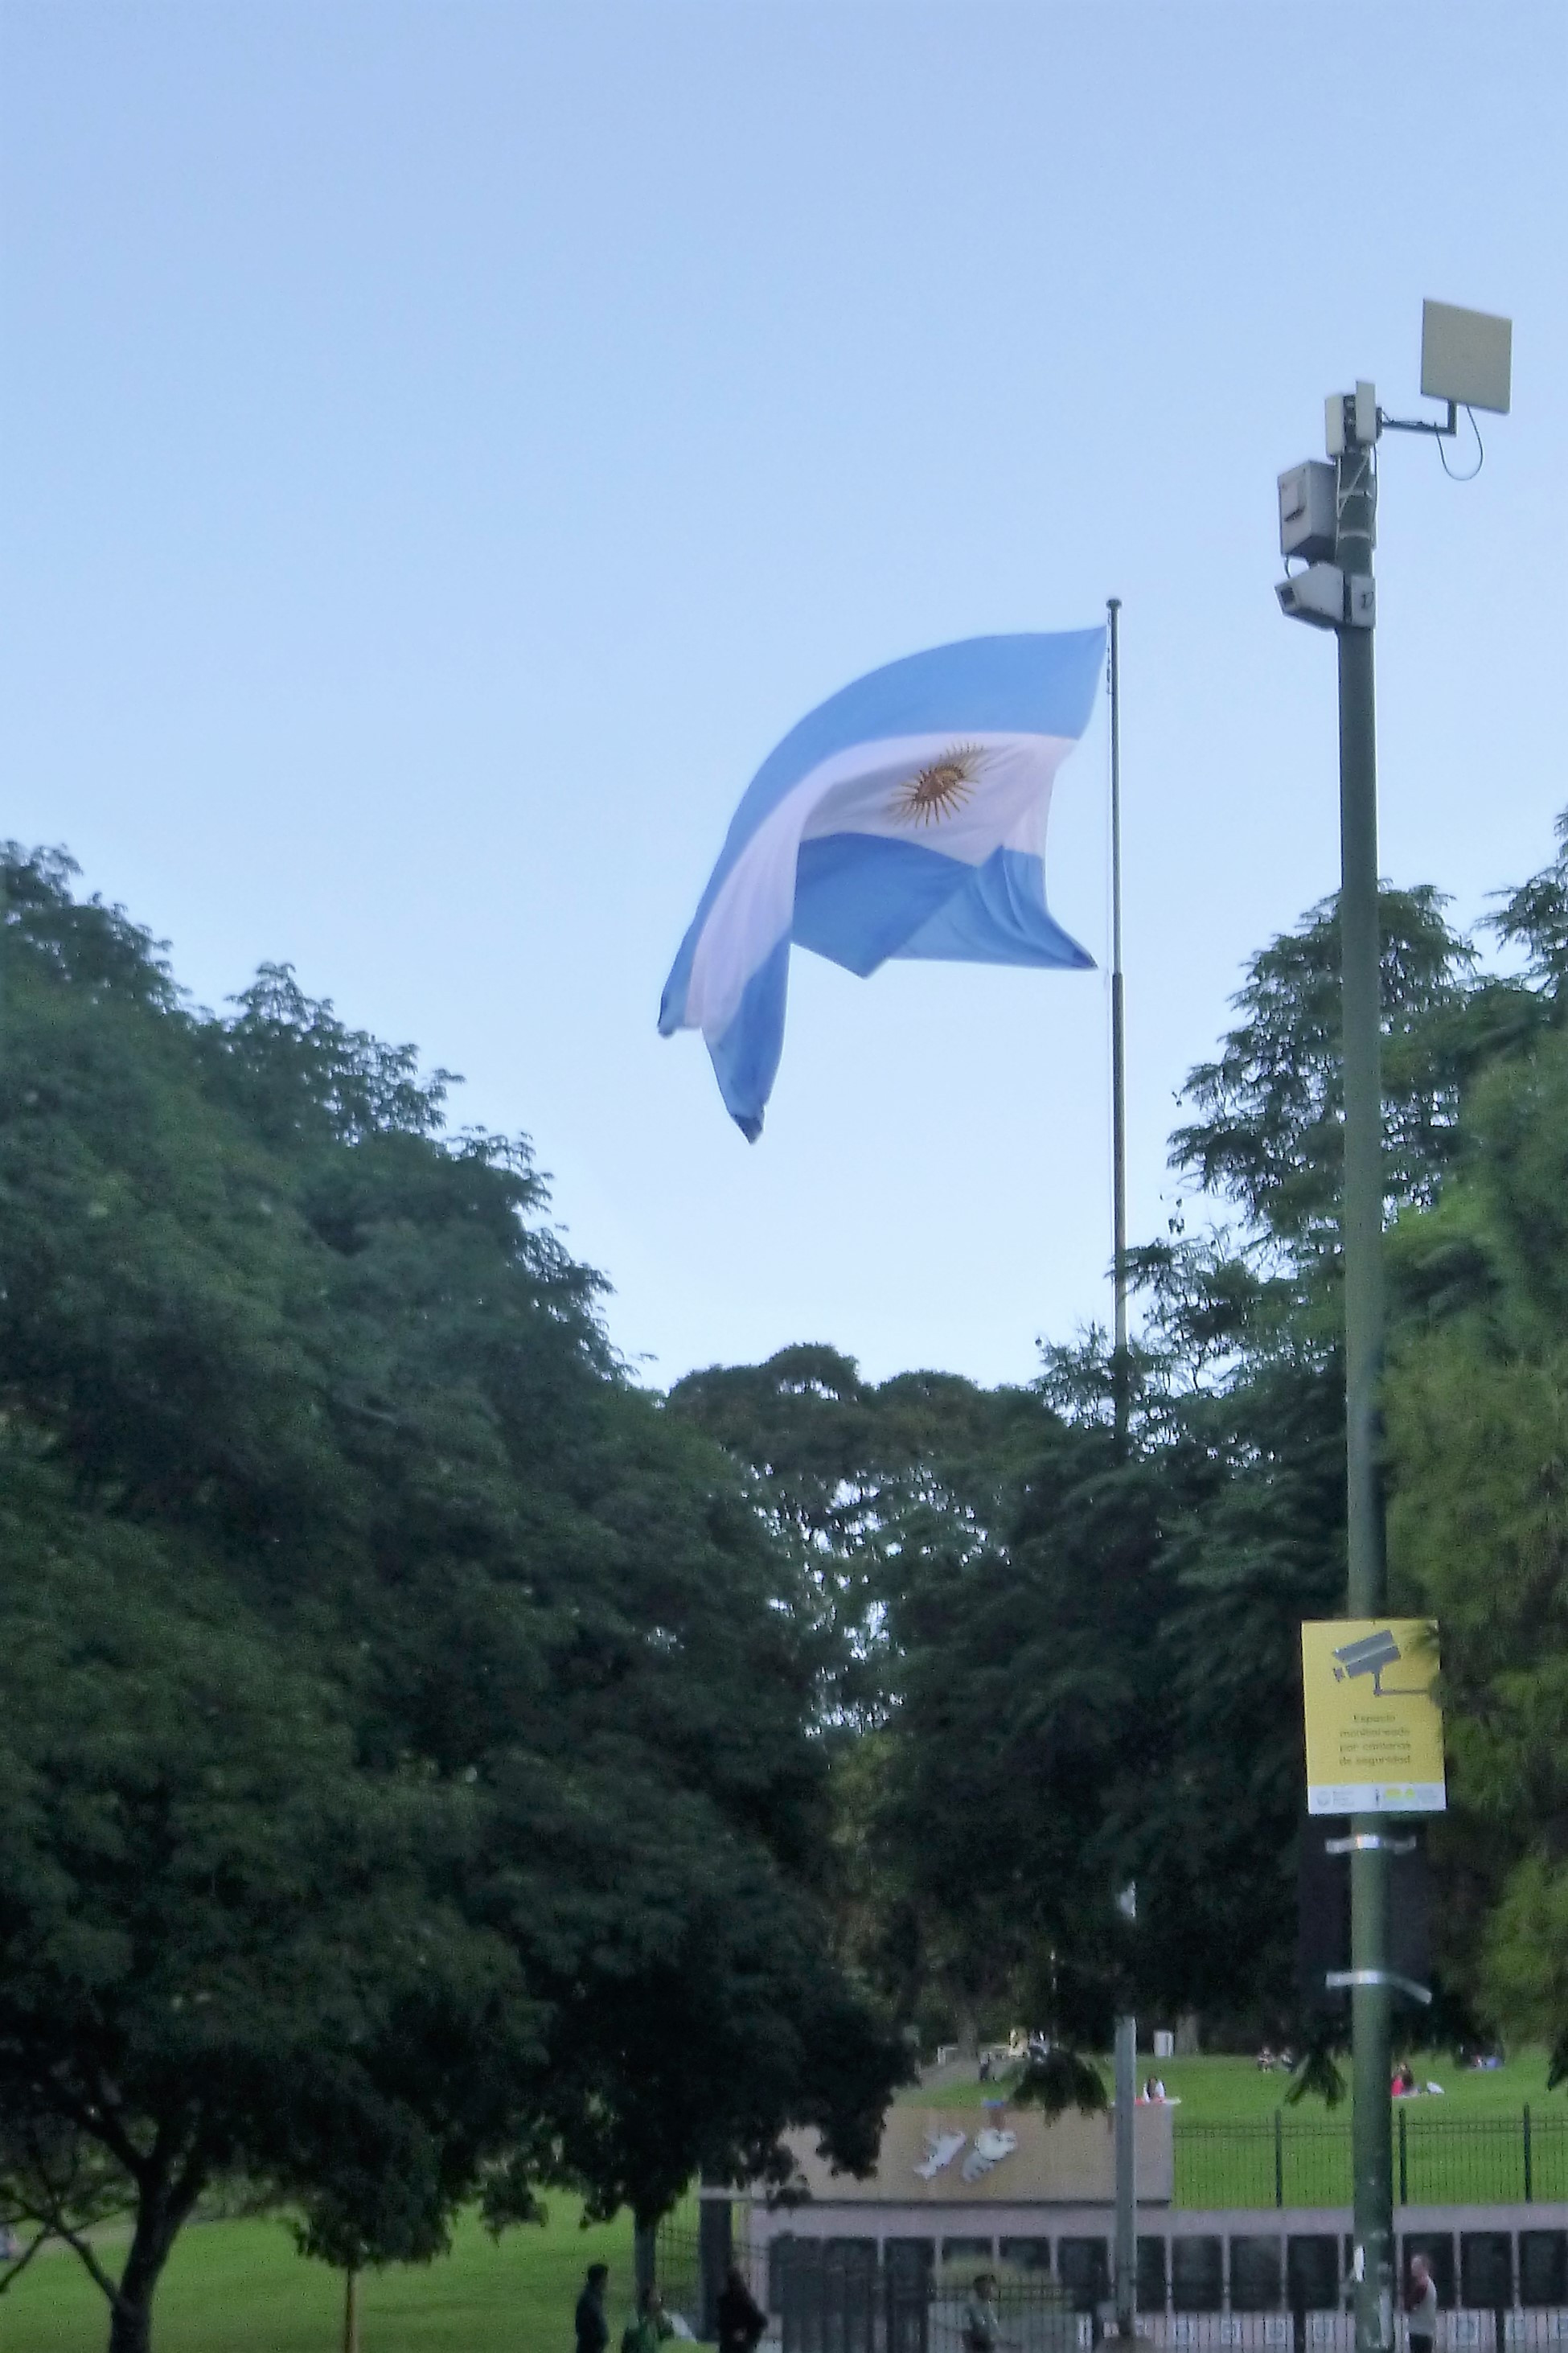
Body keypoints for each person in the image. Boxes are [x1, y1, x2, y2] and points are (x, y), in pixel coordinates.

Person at [716, 2261, 766, 2353]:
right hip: (736, 2345)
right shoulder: (744, 2300)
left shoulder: (729, 2301)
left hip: (735, 2345)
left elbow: (759, 2322)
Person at [622, 2283, 675, 2353]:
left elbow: (669, 2333)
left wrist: (660, 2321)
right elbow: (632, 2335)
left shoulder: (662, 2315)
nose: (657, 2299)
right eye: (653, 2296)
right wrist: (647, 2321)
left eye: (658, 2296)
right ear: (647, 2298)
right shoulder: (637, 2314)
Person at [575, 2263, 611, 2353]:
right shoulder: (589, 2299)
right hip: (590, 2348)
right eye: (605, 2278)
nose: (607, 2281)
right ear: (600, 2280)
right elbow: (586, 2325)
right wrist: (599, 2339)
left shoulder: (595, 2296)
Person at [962, 2272, 1001, 2351]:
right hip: (978, 2347)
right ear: (979, 2289)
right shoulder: (971, 2307)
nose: (990, 2290)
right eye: (987, 2287)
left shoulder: (989, 2306)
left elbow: (994, 2328)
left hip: (989, 2346)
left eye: (991, 2287)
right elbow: (966, 2331)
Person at [1407, 2253, 1438, 2353]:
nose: (1412, 2268)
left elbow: (1410, 2305)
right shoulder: (1429, 2283)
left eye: (1415, 2265)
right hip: (1425, 2331)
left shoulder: (1423, 2285)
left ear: (1423, 2267)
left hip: (1419, 2332)